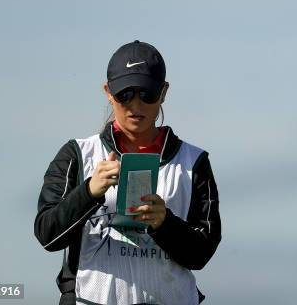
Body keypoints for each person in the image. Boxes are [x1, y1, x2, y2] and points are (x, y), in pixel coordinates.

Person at [34, 40, 221, 305]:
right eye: (125, 94)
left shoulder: (194, 161)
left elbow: (201, 253)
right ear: (108, 92)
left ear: (164, 91)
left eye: (147, 94)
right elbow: (47, 235)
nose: (136, 105)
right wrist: (89, 191)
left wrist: (164, 223)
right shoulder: (78, 153)